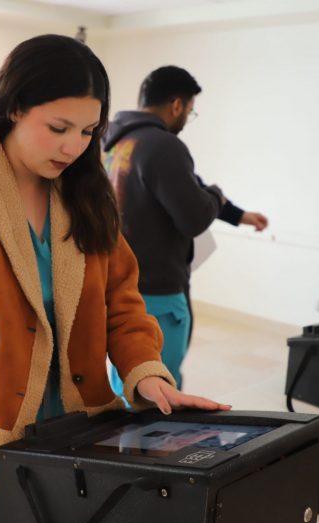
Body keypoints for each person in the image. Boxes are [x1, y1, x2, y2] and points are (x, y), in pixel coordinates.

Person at [0, 36, 230, 523]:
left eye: (88, 131)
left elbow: (122, 302)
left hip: (76, 428)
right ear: (14, 107)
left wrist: (145, 372)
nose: (73, 147)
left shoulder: (88, 196)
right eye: (58, 128)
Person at [102, 65, 268, 392]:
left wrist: (238, 215)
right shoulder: (164, 145)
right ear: (177, 105)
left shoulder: (112, 141)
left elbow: (189, 187)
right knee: (158, 387)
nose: (186, 119)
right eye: (190, 112)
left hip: (119, 282)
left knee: (127, 378)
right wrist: (217, 196)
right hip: (158, 294)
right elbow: (194, 216)